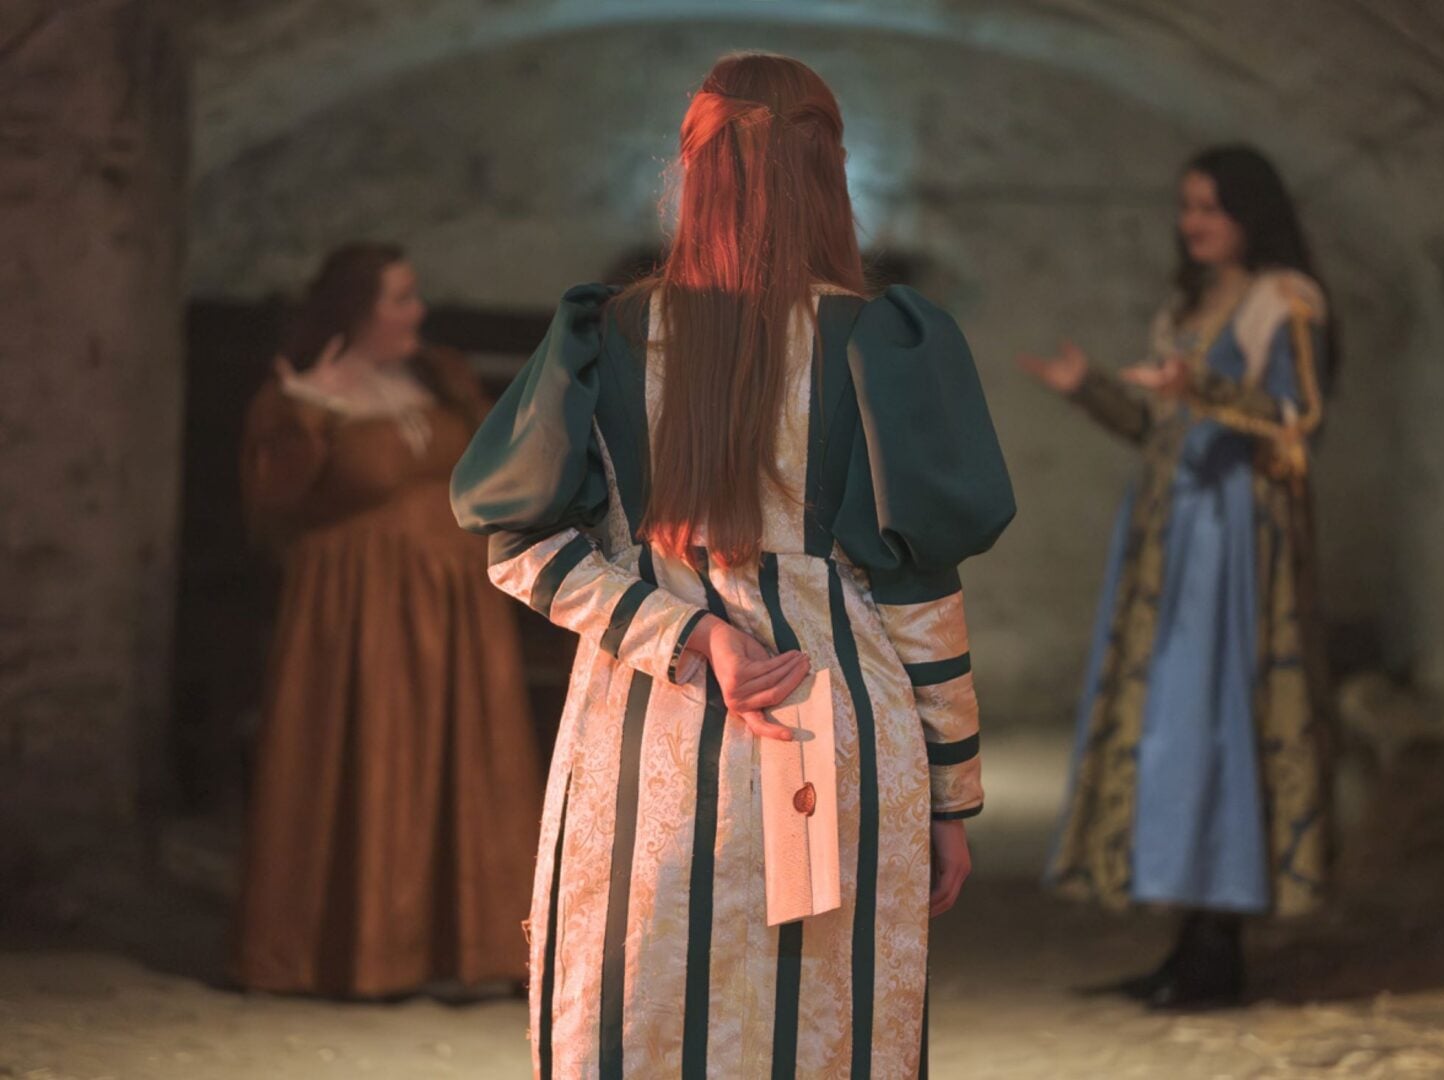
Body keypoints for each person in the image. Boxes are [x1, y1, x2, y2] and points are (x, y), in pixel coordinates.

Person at [450, 52, 1015, 1078]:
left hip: (642, 741)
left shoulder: (607, 338)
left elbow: (521, 544)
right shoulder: (883, 344)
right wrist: (950, 797)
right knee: (825, 1033)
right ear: (828, 171)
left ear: (692, 169)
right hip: (842, 736)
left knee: (640, 1016)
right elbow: (922, 597)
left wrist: (685, 632)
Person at [1020, 145, 1337, 1008]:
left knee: (1222, 718)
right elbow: (1163, 428)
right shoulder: (1190, 306)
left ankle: (1217, 948)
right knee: (1171, 728)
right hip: (1172, 538)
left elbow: (1297, 417)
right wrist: (1089, 389)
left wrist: (1201, 387)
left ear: (1249, 213)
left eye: (1210, 207)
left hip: (1236, 539)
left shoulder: (1284, 303)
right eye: (1187, 206)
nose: (1193, 222)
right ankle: (1188, 941)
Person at [235, 243, 542, 998]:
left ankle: (478, 949)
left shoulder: (438, 377)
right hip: (357, 613)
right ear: (356, 310)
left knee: (472, 762)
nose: (417, 311)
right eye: (400, 298)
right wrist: (308, 409)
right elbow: (274, 509)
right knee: (372, 759)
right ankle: (362, 952)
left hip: (458, 607)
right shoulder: (300, 401)